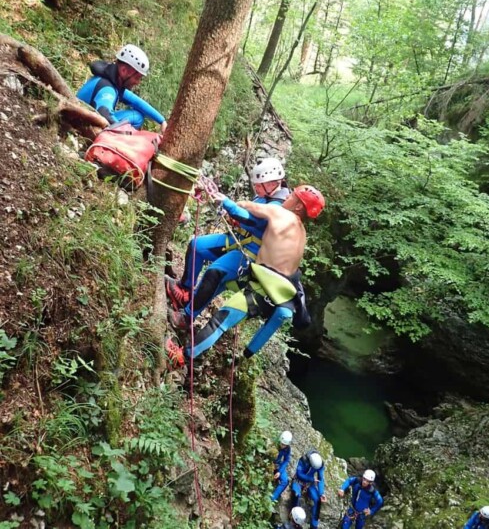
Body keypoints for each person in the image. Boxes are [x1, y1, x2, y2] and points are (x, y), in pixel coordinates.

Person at [165, 185, 325, 363]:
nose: (287, 197)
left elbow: (251, 207)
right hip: (272, 291)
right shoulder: (301, 232)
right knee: (219, 282)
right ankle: (188, 317)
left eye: (292, 196)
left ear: (298, 207)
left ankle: (183, 356)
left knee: (221, 321)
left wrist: (225, 200)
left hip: (262, 290)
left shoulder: (282, 214)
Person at [166, 157, 289, 329]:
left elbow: (255, 222)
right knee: (197, 247)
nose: (257, 189)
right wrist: (230, 214)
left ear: (273, 183)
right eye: (256, 186)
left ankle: (186, 317)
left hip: (248, 254)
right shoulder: (265, 195)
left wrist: (228, 204)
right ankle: (185, 291)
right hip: (237, 240)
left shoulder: (280, 206)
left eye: (259, 186)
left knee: (214, 273)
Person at [77, 44, 167, 132]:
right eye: (137, 77)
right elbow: (106, 116)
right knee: (133, 119)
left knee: (137, 116)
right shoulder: (107, 89)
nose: (137, 82)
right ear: (124, 71)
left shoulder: (114, 81)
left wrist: (162, 120)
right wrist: (127, 136)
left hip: (90, 118)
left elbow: (136, 101)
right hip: (82, 124)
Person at [291, 450, 326, 529]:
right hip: (298, 481)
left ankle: (314, 524)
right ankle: (294, 518)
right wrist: (312, 479)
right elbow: (299, 474)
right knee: (296, 494)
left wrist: (321, 493)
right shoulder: (304, 460)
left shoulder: (320, 464)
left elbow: (320, 479)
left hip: (309, 483)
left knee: (317, 500)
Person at [271, 430, 293, 502]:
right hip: (270, 462)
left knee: (285, 481)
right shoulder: (274, 443)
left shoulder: (287, 448)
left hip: (277, 464)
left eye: (285, 445)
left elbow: (286, 460)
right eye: (282, 444)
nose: (283, 446)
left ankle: (272, 499)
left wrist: (279, 472)